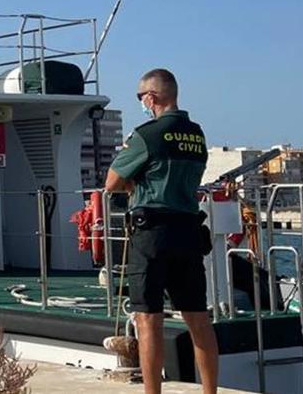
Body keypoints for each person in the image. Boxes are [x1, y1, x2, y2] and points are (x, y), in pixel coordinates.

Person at [105, 69, 218, 394]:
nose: (141, 103)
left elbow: (112, 182)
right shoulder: (196, 134)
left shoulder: (147, 135)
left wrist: (134, 182)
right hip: (188, 231)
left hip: (151, 233)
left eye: (141, 98)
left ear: (151, 98)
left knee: (148, 318)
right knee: (198, 317)